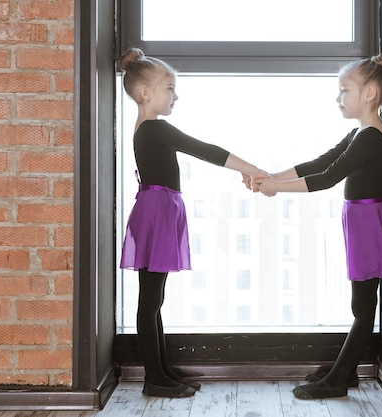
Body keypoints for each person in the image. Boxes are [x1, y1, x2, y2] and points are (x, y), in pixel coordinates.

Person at [118, 47, 263, 398]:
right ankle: (155, 379)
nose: (175, 95)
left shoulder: (150, 128)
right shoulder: (154, 129)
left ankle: (163, 373)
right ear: (146, 93)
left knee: (155, 299)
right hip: (156, 212)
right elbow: (205, 149)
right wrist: (252, 168)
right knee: (150, 300)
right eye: (170, 88)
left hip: (160, 209)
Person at [253, 54, 382, 400]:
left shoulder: (372, 138)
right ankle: (342, 372)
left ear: (370, 93)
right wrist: (272, 177)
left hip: (368, 224)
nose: (338, 99)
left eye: (344, 90)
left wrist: (277, 189)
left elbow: (328, 178)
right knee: (360, 305)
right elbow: (319, 162)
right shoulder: (359, 133)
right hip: (360, 222)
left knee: (363, 309)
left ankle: (338, 379)